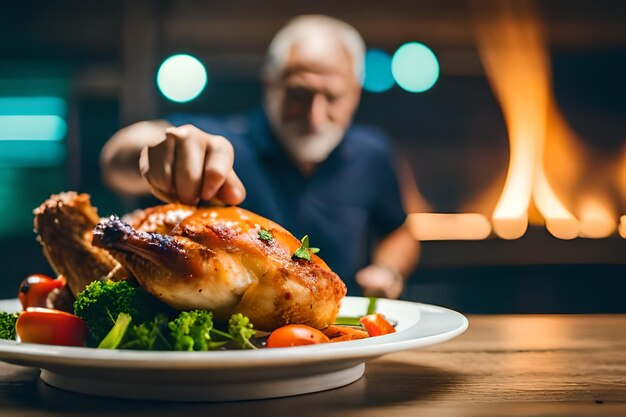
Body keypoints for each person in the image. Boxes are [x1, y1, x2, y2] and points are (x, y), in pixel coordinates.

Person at [100, 15, 420, 298]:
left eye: (333, 97)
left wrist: (388, 271)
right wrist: (154, 150)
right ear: (270, 84)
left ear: (355, 93)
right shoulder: (225, 142)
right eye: (299, 94)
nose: (315, 116)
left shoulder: (372, 153)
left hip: (341, 332)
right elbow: (116, 159)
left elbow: (398, 231)